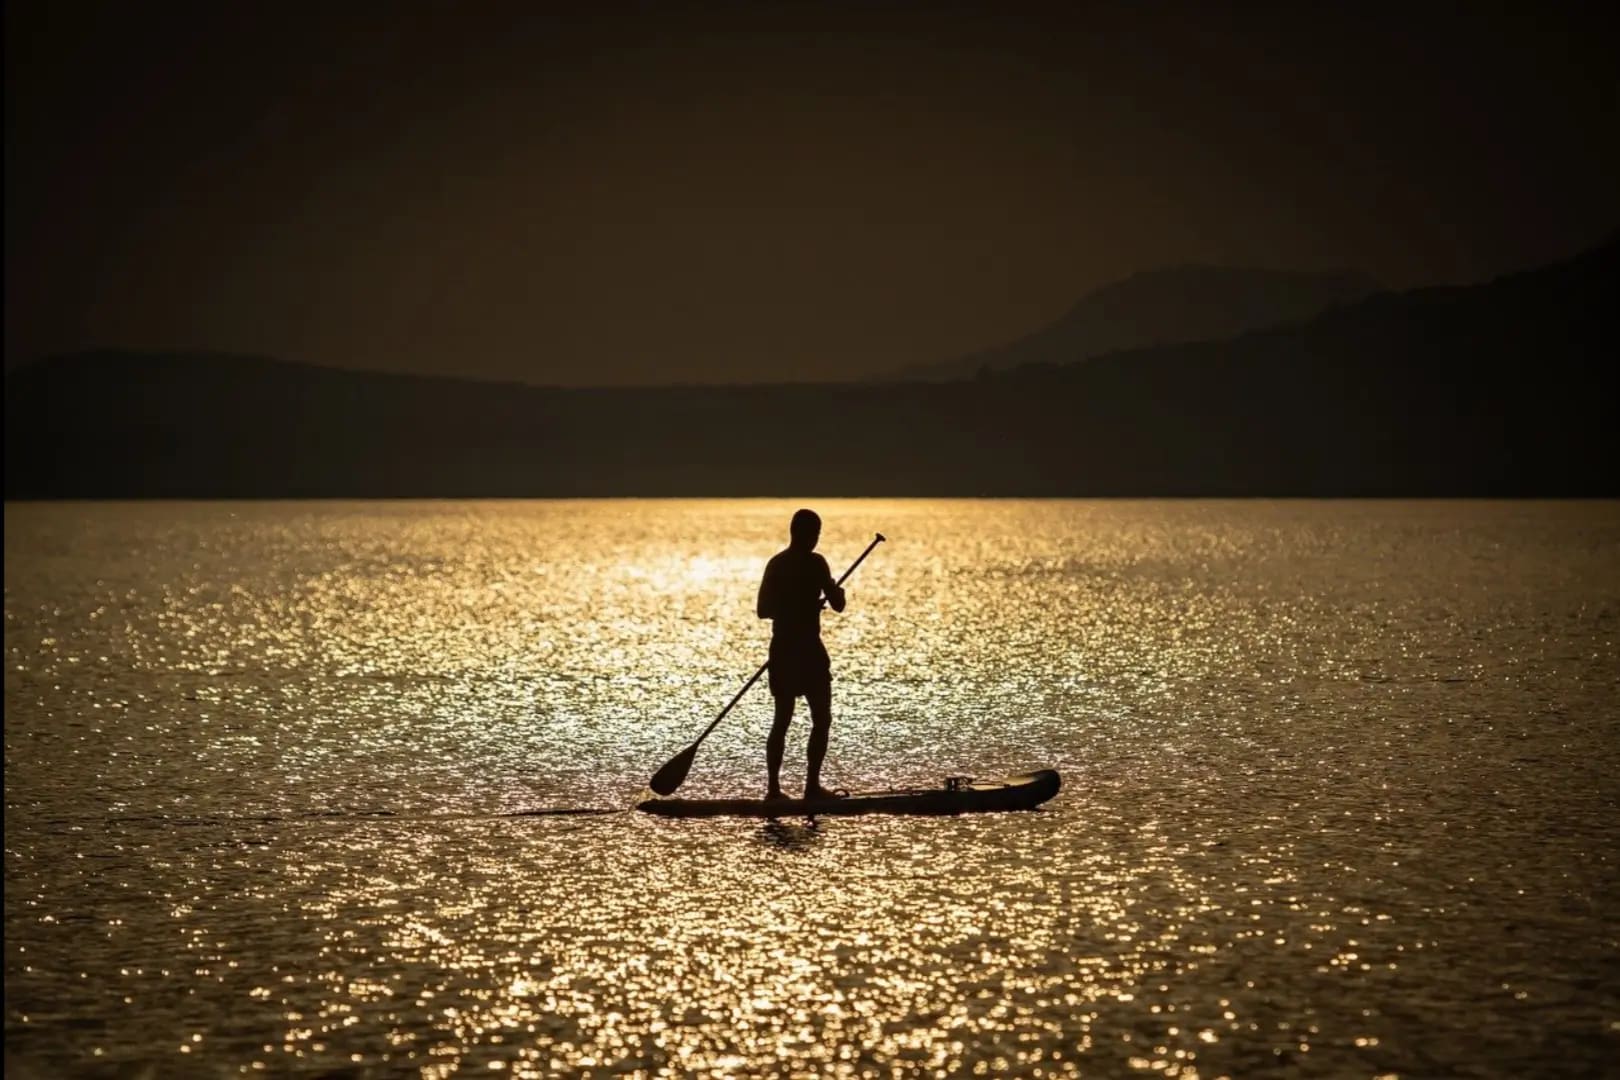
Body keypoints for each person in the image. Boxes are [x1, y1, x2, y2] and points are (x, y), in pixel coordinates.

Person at [756, 508, 847, 800]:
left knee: (822, 719)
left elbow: (839, 604)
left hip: (807, 652)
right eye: (813, 534)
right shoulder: (781, 564)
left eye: (818, 534)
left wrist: (833, 590)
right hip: (788, 650)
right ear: (800, 533)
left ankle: (811, 787)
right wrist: (800, 607)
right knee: (782, 720)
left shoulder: (815, 564)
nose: (815, 539)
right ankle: (773, 790)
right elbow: (763, 610)